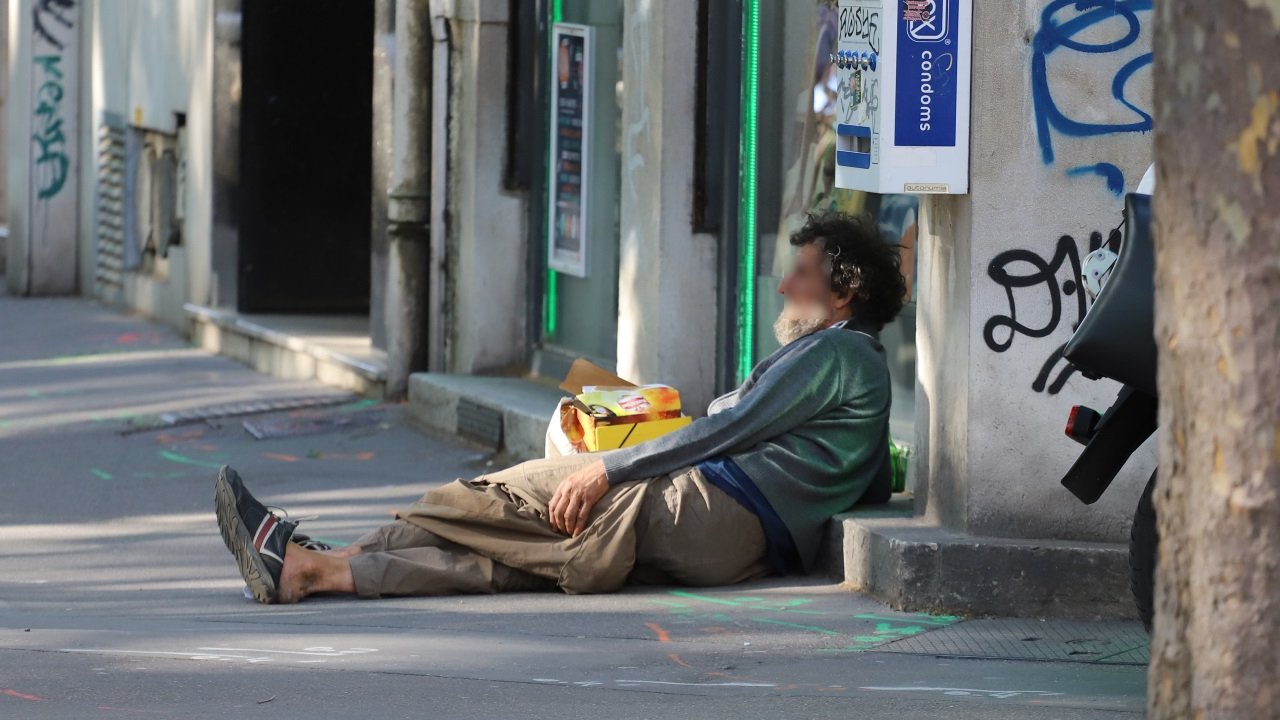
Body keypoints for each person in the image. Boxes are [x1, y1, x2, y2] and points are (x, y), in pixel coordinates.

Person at [215, 211, 908, 604]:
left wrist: (608, 470)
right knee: (523, 558)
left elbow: (726, 428)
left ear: (844, 292)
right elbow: (871, 476)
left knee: (488, 500)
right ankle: (317, 568)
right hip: (729, 541)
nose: (785, 284)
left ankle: (319, 554)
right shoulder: (862, 370)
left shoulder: (836, 354)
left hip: (704, 509)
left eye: (804, 273)